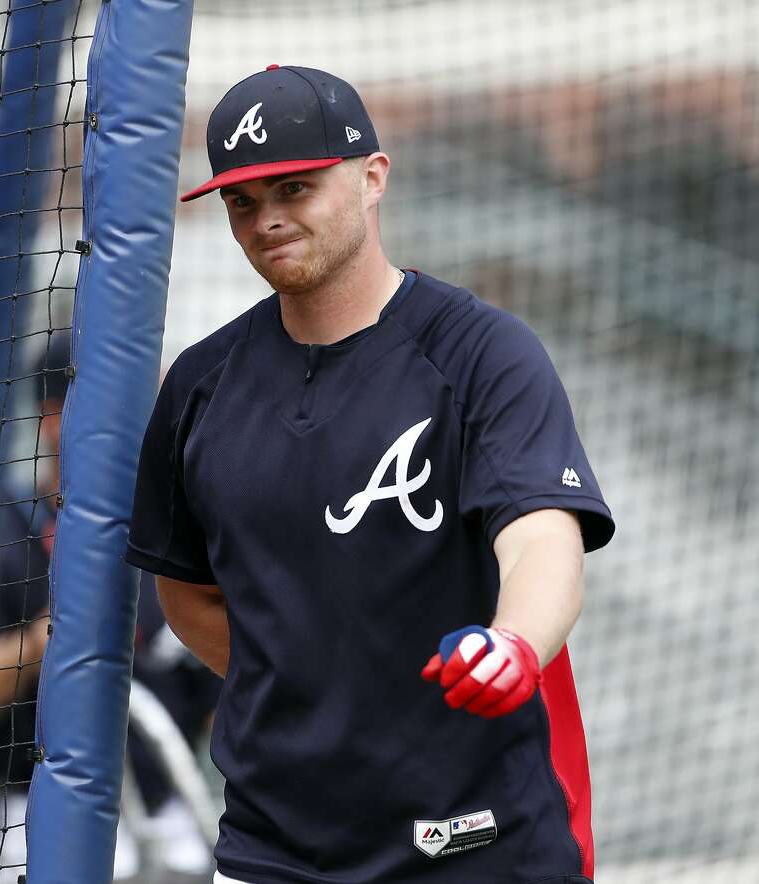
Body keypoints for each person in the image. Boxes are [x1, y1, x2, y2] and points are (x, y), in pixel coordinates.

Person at [126, 65, 615, 884]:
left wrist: (513, 645)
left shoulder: (482, 353)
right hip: (272, 849)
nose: (268, 219)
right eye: (243, 201)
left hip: (476, 844)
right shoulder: (200, 385)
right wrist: (318, 680)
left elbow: (543, 540)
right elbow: (188, 595)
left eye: (296, 187)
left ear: (373, 177)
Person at [0, 334, 221, 882]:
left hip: (166, 813)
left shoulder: (180, 535)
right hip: (20, 817)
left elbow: (224, 704)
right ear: (54, 418)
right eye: (131, 408)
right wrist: (50, 634)